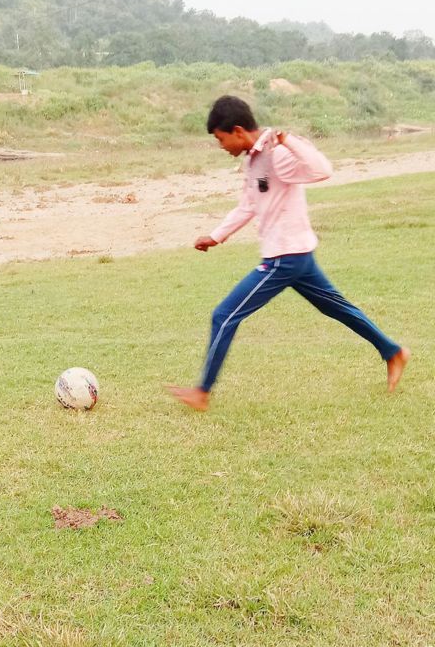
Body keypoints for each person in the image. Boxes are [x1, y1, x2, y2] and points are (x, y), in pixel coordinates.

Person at [168, 95, 410, 411]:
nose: (221, 146)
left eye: (221, 138)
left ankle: (202, 392)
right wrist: (216, 237)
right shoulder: (253, 161)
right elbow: (248, 206)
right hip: (298, 256)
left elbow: (323, 170)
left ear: (238, 131)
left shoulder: (277, 153)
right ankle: (393, 351)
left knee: (224, 315)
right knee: (338, 308)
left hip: (284, 259)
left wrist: (287, 140)